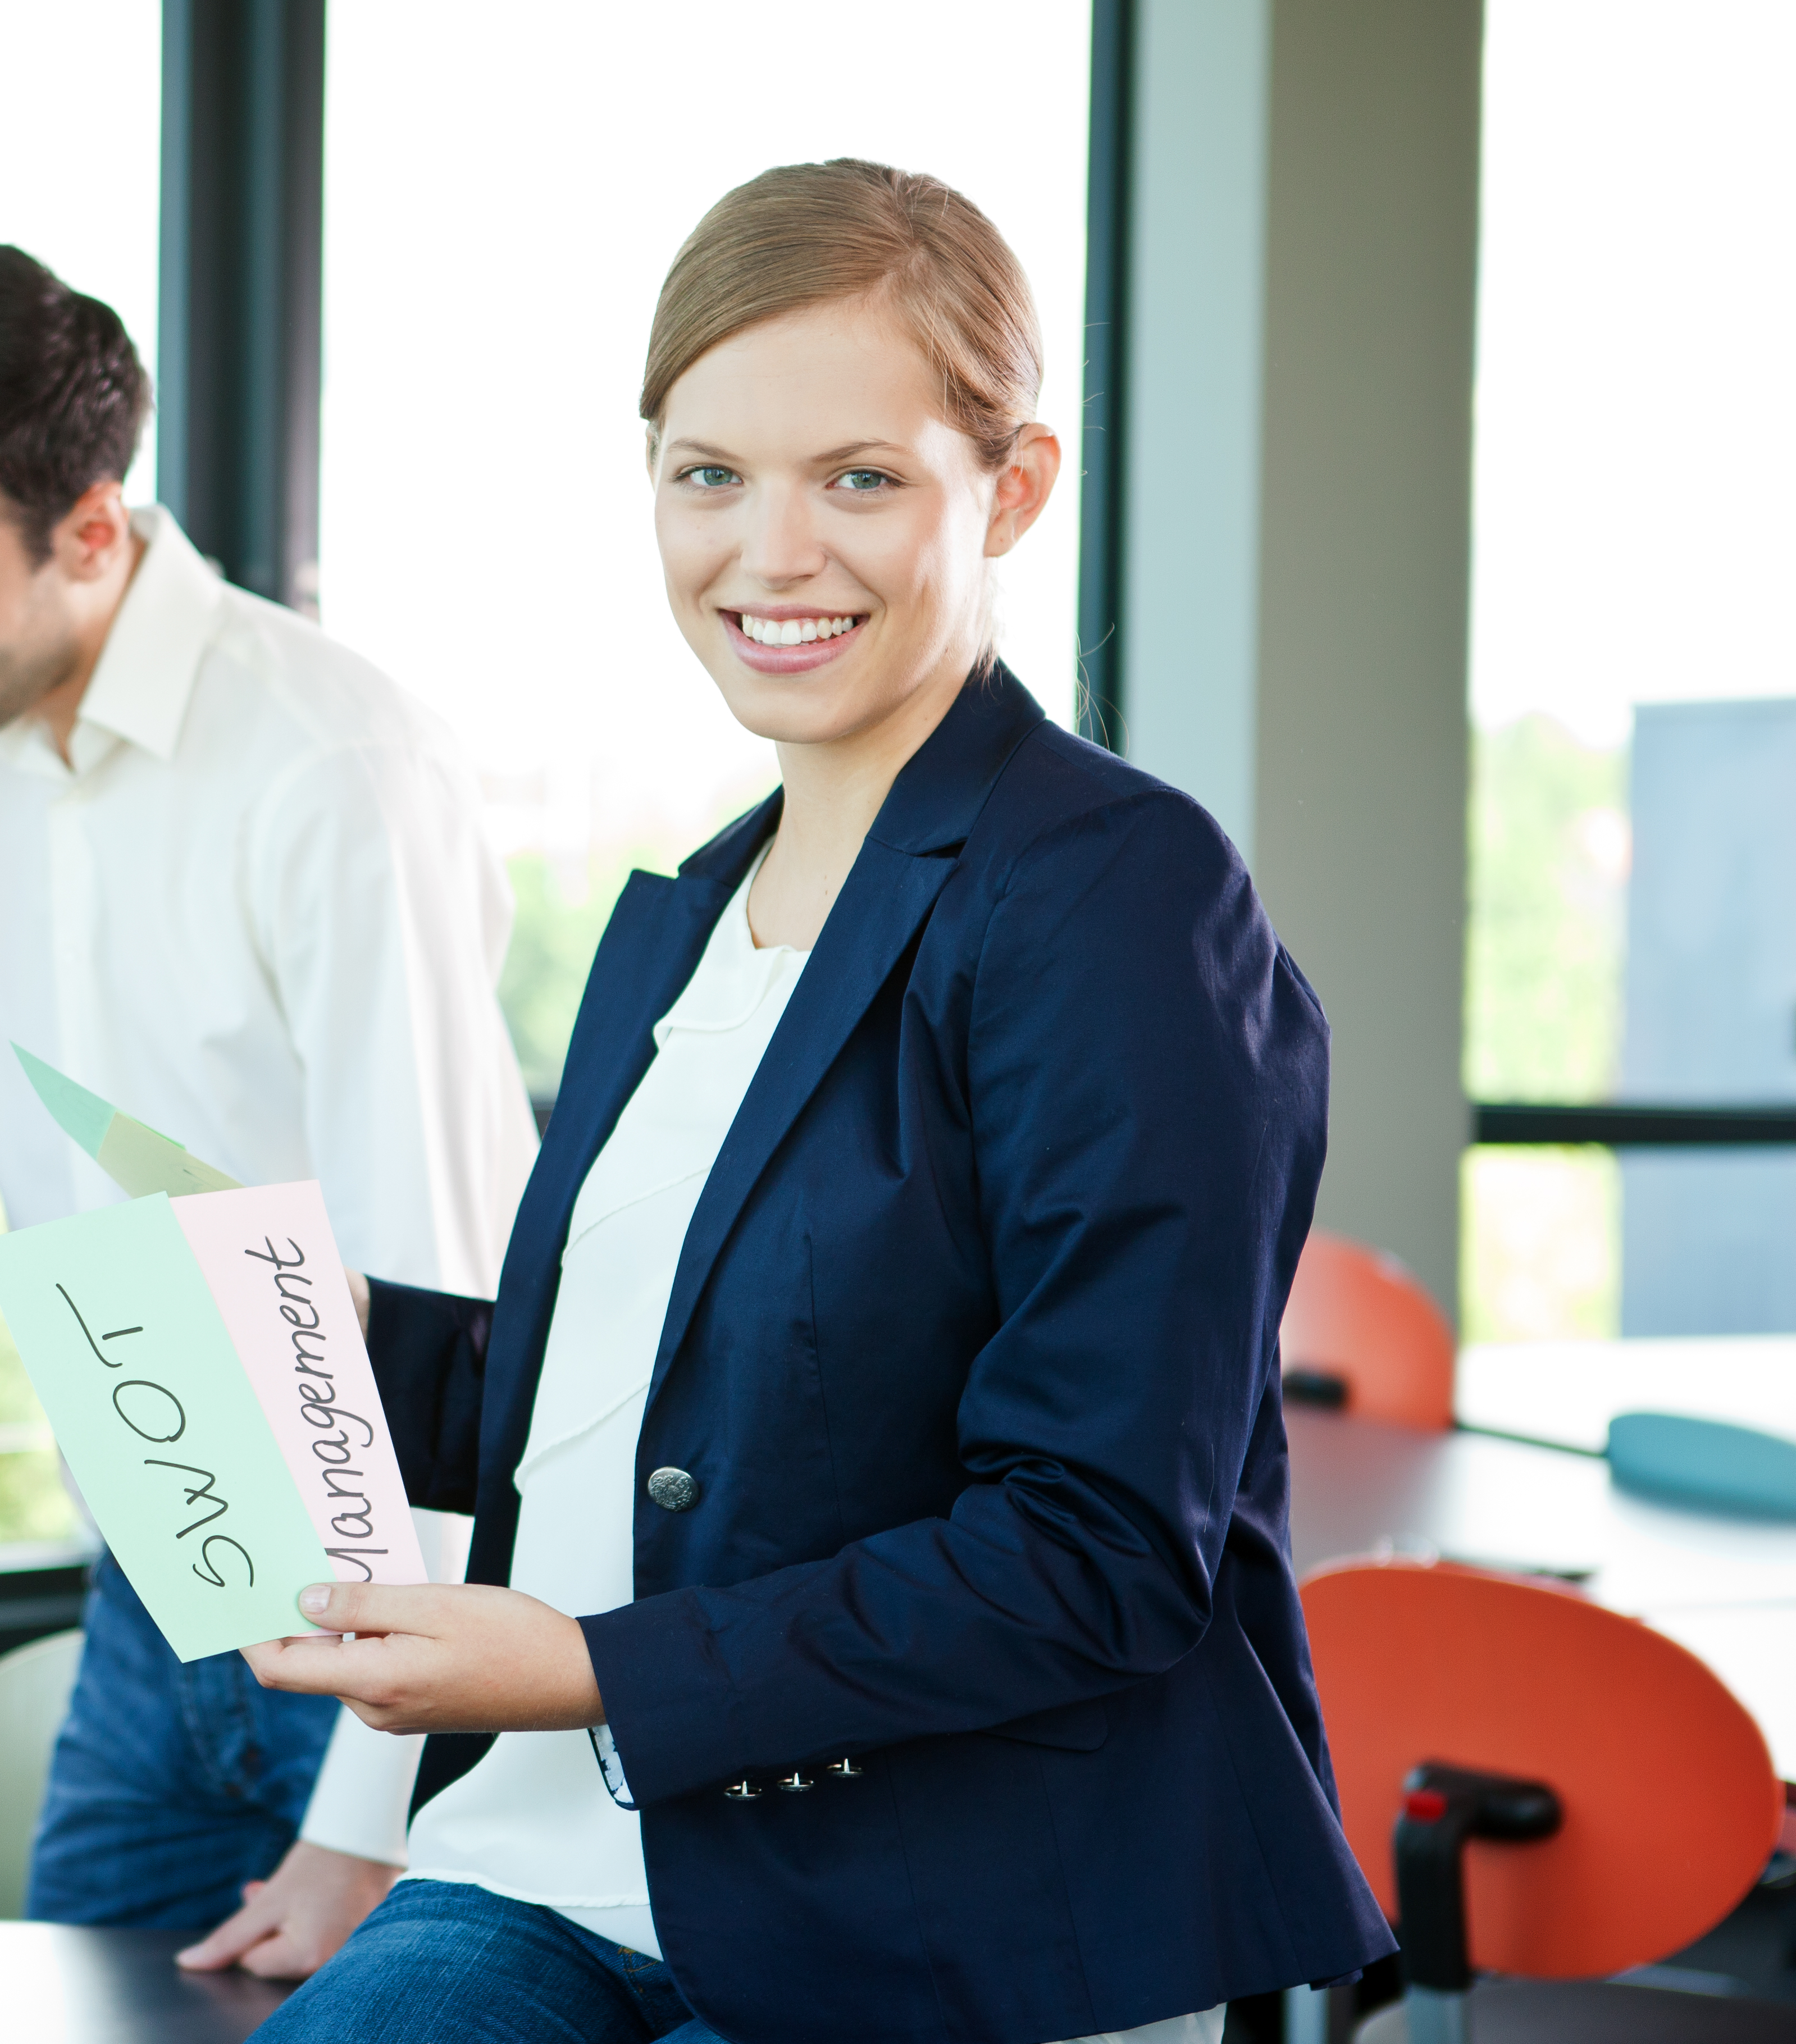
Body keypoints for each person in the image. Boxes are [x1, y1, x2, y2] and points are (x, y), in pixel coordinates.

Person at [241, 161, 1398, 2043]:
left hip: (933, 1899)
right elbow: (655, 1406)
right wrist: (330, 1345)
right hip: (559, 1863)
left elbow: (1101, 1546)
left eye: (857, 478)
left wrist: (599, 1670)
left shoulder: (1114, 890)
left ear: (1008, 488)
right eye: (709, 476)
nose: (769, 554)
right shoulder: (696, 913)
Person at [0, 243, 537, 1974]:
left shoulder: (335, 771)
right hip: (160, 1589)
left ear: (91, 531)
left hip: (405, 1634)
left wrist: (367, 1826)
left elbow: (449, 1314)